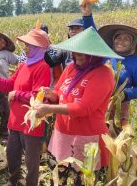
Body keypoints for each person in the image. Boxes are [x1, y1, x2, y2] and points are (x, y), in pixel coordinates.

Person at [34, 27, 123, 185]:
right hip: (63, 134)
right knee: (58, 177)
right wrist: (50, 95)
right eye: (75, 51)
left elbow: (84, 108)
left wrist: (50, 109)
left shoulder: (103, 74)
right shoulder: (70, 68)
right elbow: (60, 94)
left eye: (83, 52)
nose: (77, 55)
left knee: (80, 179)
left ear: (95, 55)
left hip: (86, 138)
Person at [0, 26, 51, 186]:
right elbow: (8, 84)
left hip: (31, 123)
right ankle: (13, 180)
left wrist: (17, 95)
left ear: (39, 48)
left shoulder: (43, 67)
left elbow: (38, 97)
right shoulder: (24, 65)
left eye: (29, 45)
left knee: (31, 161)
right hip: (15, 121)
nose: (25, 48)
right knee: (12, 154)